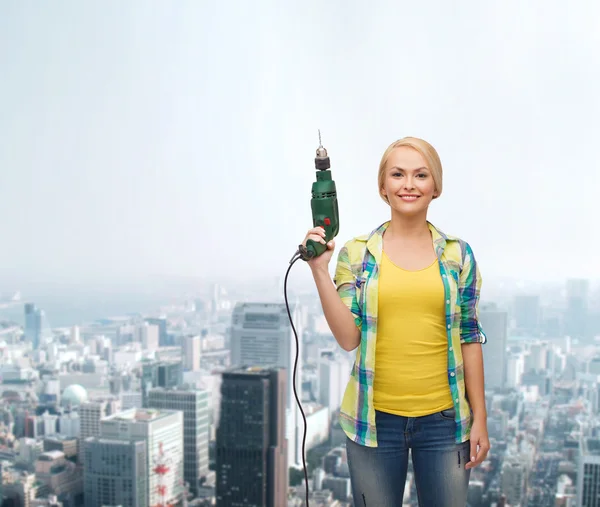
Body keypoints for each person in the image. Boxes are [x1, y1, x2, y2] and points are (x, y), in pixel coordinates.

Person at [301, 136, 490, 507]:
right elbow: (347, 337)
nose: (408, 184)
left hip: (445, 422)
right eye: (397, 174)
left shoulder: (458, 255)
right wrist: (320, 271)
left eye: (420, 175)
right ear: (382, 187)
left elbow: (469, 337)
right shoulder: (356, 254)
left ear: (435, 187)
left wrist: (480, 417)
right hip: (373, 423)